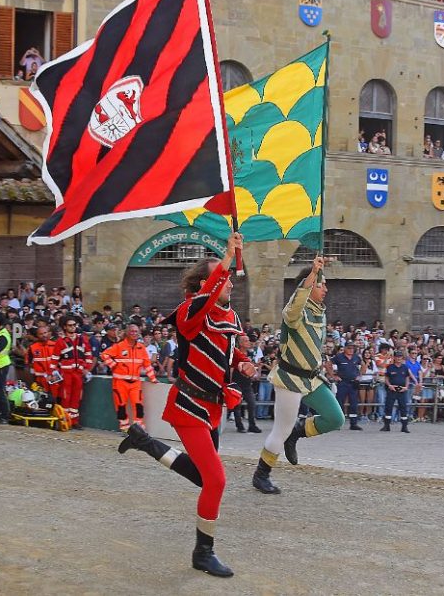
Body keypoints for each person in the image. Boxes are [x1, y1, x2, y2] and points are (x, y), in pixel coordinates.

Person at [118, 233, 254, 578]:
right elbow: (207, 300)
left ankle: (145, 442)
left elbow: (225, 350)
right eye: (220, 279)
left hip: (214, 408)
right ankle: (202, 553)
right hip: (190, 405)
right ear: (206, 283)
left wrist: (241, 363)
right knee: (217, 481)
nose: (229, 284)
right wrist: (227, 255)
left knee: (203, 478)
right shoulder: (190, 311)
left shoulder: (229, 316)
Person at [254, 255, 345, 493]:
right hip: (290, 378)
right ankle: (261, 475)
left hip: (312, 378)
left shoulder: (319, 312)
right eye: (320, 284)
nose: (325, 288)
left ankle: (298, 431)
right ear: (308, 284)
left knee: (335, 418)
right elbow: (293, 307)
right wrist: (313, 273)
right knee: (280, 430)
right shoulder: (296, 312)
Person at [101, 322, 156, 431]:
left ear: (139, 333)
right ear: (127, 332)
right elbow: (104, 355)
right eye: (131, 331)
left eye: (136, 331)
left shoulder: (141, 348)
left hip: (135, 383)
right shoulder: (119, 346)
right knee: (121, 406)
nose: (134, 333)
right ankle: (124, 427)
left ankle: (138, 427)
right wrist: (113, 365)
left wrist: (153, 378)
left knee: (138, 405)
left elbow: (147, 364)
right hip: (120, 382)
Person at [52, 314, 94, 429]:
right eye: (70, 325)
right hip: (66, 374)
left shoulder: (83, 340)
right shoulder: (60, 342)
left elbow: (89, 355)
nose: (72, 327)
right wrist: (54, 372)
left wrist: (86, 368)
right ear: (65, 327)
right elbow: (54, 360)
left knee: (76, 398)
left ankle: (74, 421)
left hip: (78, 374)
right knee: (65, 398)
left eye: (74, 325)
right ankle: (65, 421)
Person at [332, 342, 364, 430]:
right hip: (342, 383)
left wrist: (359, 376)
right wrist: (333, 376)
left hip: (353, 383)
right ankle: (337, 424)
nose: (351, 350)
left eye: (352, 348)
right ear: (345, 348)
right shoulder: (339, 356)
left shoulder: (356, 357)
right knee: (339, 403)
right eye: (349, 348)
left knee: (354, 403)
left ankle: (353, 424)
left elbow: (363, 365)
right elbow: (328, 364)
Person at [381, 350, 411, 432]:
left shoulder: (405, 367)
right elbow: (386, 378)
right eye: (397, 356)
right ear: (394, 357)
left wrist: (406, 387)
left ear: (402, 358)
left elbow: (407, 378)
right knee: (388, 407)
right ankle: (386, 426)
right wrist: (389, 385)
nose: (398, 358)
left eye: (400, 357)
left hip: (402, 390)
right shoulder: (390, 367)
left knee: (403, 408)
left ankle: (404, 427)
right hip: (392, 390)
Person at [26, 324, 59, 398]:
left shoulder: (55, 345)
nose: (44, 335)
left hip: (54, 377)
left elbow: (60, 361)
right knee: (43, 399)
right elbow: (28, 362)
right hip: (40, 379)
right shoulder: (32, 347)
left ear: (48, 333)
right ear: (37, 335)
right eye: (41, 334)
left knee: (56, 398)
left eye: (45, 333)